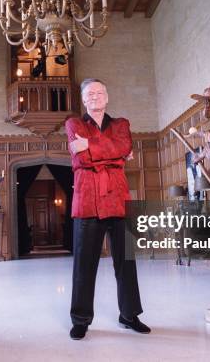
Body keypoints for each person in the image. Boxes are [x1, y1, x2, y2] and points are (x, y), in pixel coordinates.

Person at [65, 78, 150, 340]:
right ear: (83, 99)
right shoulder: (74, 124)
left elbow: (124, 147)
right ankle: (80, 319)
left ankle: (129, 315)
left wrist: (90, 145)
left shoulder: (121, 124)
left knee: (126, 262)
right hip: (88, 199)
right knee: (84, 265)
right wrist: (113, 154)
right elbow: (81, 159)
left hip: (118, 197)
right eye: (90, 93)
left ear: (107, 97)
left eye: (100, 92)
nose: (95, 96)